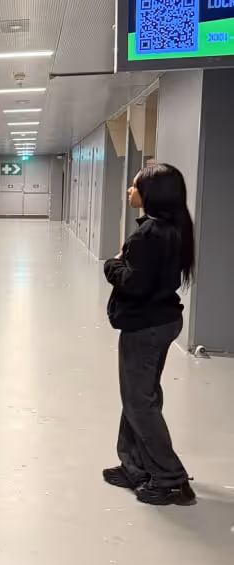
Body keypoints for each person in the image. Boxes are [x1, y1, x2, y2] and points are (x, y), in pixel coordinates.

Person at [103, 163, 196, 506]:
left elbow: (133, 283)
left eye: (134, 187)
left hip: (145, 326)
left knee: (140, 402)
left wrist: (111, 264)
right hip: (161, 320)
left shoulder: (148, 234)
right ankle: (135, 465)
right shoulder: (174, 228)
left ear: (150, 194)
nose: (129, 192)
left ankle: (170, 479)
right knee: (139, 396)